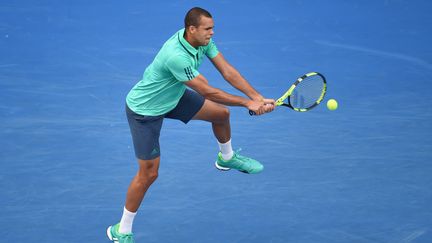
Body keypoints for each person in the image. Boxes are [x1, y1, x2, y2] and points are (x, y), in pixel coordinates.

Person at [107, 7, 275, 243]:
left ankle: (226, 158)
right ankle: (121, 230)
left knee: (221, 114)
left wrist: (256, 97)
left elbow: (227, 71)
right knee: (149, 174)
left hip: (173, 97)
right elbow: (206, 90)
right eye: (208, 29)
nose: (212, 33)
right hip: (144, 111)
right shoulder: (176, 55)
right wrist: (247, 103)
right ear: (192, 29)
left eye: (212, 28)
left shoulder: (201, 40)